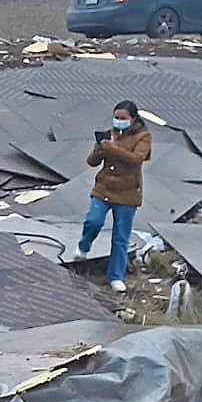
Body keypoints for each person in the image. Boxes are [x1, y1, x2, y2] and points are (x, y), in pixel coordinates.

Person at [69, 100, 152, 293]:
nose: (119, 121)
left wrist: (112, 148)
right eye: (116, 117)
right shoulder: (110, 134)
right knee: (93, 220)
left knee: (120, 236)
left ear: (133, 119)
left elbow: (136, 159)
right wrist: (99, 148)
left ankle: (115, 276)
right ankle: (83, 245)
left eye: (123, 118)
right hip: (104, 188)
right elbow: (91, 161)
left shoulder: (143, 136)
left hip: (127, 192)